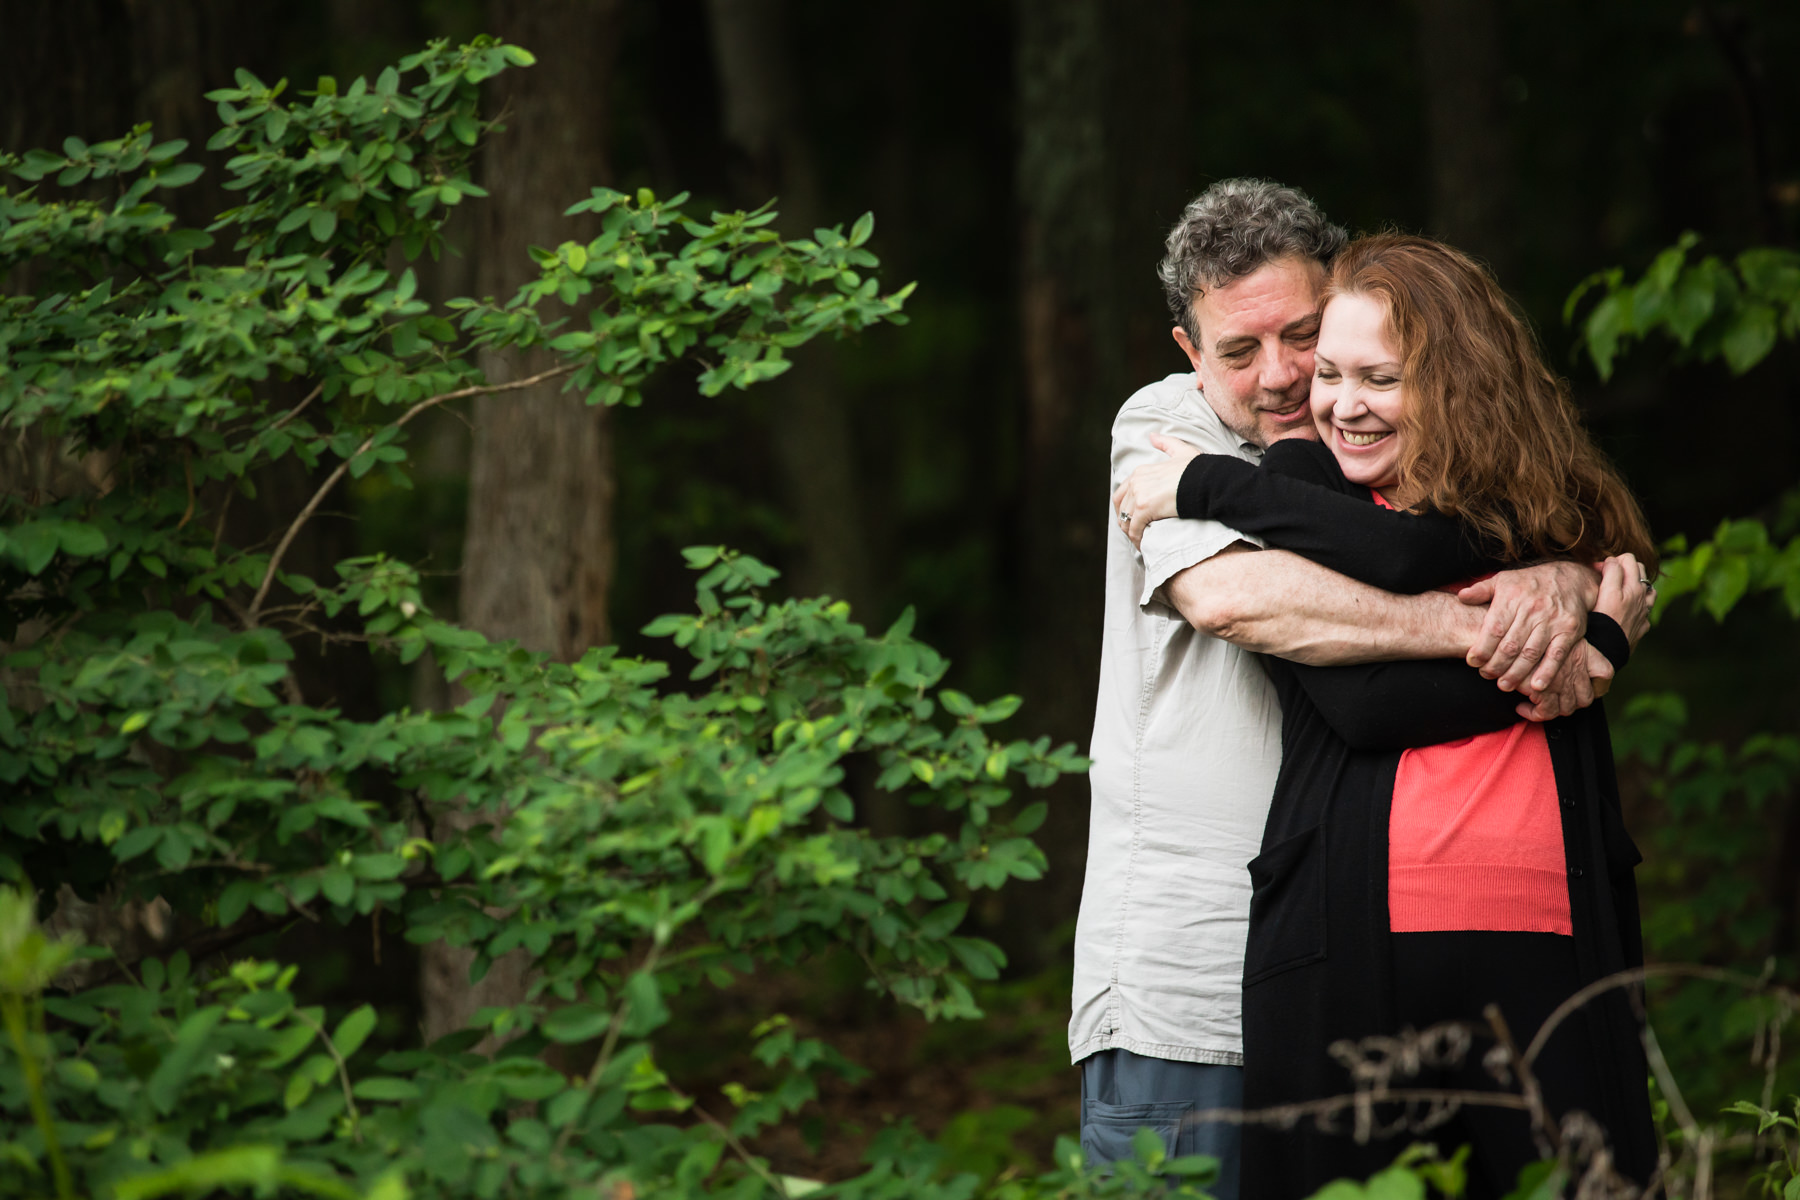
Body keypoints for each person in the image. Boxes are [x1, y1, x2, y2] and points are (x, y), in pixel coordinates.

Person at [1072, 181, 1638, 1199]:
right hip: (1186, 985)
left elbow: (1565, 535)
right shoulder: (1169, 432)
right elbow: (1247, 601)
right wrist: (1540, 644)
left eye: (1308, 338)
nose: (1288, 379)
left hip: (1346, 936)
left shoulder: (1387, 461)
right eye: (1241, 352)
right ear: (1186, 351)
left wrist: (1566, 585)